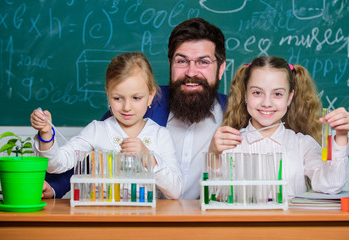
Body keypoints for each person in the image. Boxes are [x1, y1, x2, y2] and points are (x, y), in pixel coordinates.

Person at [41, 18, 228, 200]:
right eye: (181, 61)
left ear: (220, 69)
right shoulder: (138, 100)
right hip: (144, 217)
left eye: (203, 62)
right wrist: (55, 186)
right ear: (170, 64)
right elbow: (89, 153)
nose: (191, 72)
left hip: (206, 219)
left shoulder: (235, 113)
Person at [30, 52, 183, 199]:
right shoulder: (97, 130)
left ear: (150, 96)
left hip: (148, 221)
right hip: (103, 219)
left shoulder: (160, 135)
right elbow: (56, 165)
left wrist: (148, 157)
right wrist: (46, 134)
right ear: (108, 94)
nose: (127, 107)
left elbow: (175, 191)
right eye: (118, 98)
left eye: (136, 97)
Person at [209, 56, 349, 196]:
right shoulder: (232, 143)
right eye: (257, 92)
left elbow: (331, 185)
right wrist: (214, 154)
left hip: (292, 220)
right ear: (245, 94)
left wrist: (341, 135)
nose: (266, 103)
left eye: (277, 94)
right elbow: (215, 194)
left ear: (289, 98)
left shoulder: (302, 145)